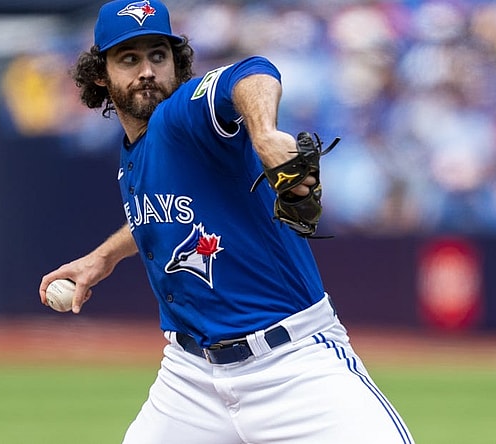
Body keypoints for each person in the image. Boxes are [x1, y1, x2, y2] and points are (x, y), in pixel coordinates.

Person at [39, 1, 413, 443]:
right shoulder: (133, 152)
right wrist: (101, 258)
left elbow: (251, 72)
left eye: (159, 56)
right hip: (190, 378)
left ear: (176, 64)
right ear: (100, 74)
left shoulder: (183, 115)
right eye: (129, 58)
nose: (147, 71)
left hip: (291, 364)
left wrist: (266, 133)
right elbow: (163, 217)